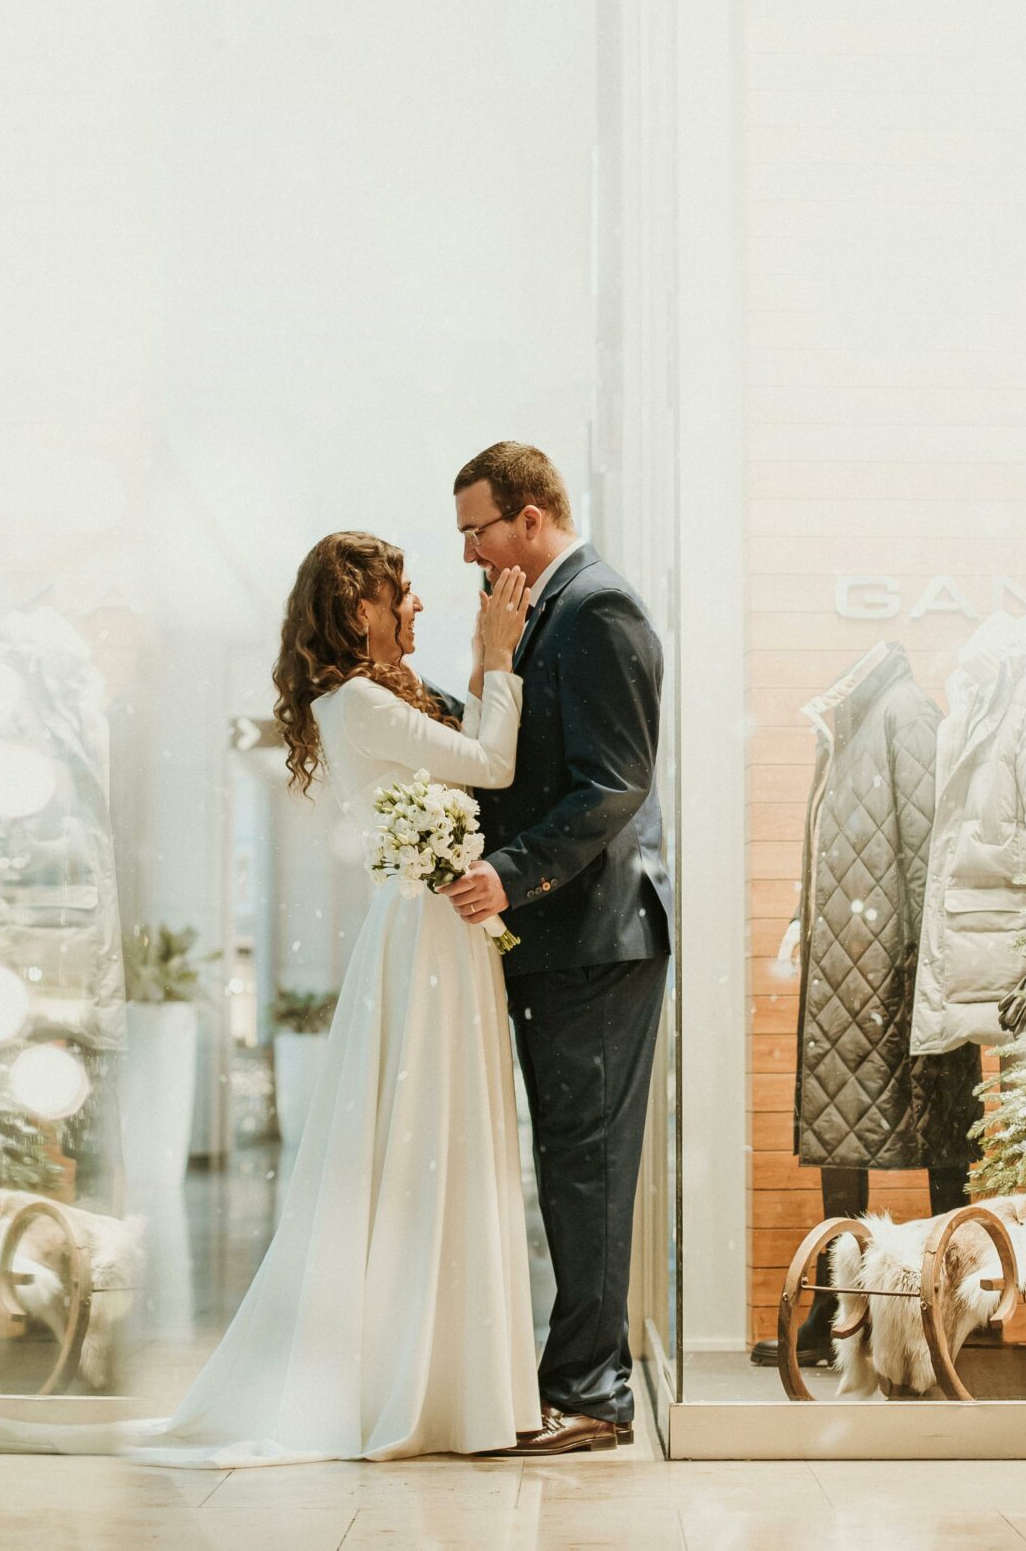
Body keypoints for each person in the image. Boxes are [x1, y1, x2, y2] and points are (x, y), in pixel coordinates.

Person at [0, 532, 536, 1463]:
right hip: (422, 940)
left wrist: (483, 671)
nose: (420, 608)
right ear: (360, 607)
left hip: (444, 935)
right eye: (405, 593)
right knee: (423, 1145)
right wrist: (497, 659)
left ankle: (446, 1376)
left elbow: (471, 755)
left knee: (443, 1146)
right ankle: (424, 1380)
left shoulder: (378, 696)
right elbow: (494, 763)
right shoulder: (355, 698)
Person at [440, 441, 672, 1457]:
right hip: (562, 939)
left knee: (587, 1166)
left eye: (475, 530)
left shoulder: (598, 608)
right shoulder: (546, 610)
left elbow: (612, 783)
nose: (468, 553)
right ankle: (572, 1379)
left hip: (597, 936)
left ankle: (592, 1393)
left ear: (529, 518)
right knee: (567, 1162)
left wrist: (513, 871)